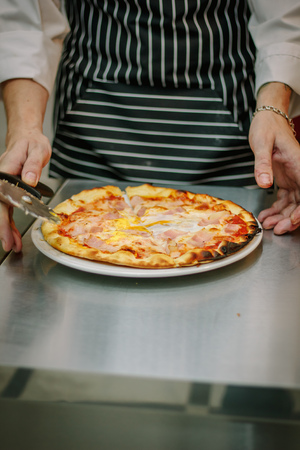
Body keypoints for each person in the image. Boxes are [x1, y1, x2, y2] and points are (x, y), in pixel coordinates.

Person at [0, 0, 300, 254]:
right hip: (93, 117)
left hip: (226, 119)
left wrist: (273, 108)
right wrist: (23, 129)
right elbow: (27, 18)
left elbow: (282, 14)